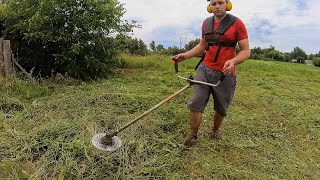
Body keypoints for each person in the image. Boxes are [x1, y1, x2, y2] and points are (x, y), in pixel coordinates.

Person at [173, 0, 250, 147]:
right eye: (213, 3)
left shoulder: (237, 23)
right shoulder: (206, 23)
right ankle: (193, 135)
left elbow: (246, 51)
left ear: (227, 4)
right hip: (205, 69)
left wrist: (233, 62)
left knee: (221, 107)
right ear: (210, 7)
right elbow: (202, 46)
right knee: (196, 102)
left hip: (225, 73)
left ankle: (215, 130)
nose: (217, 6)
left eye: (220, 2)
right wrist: (186, 55)